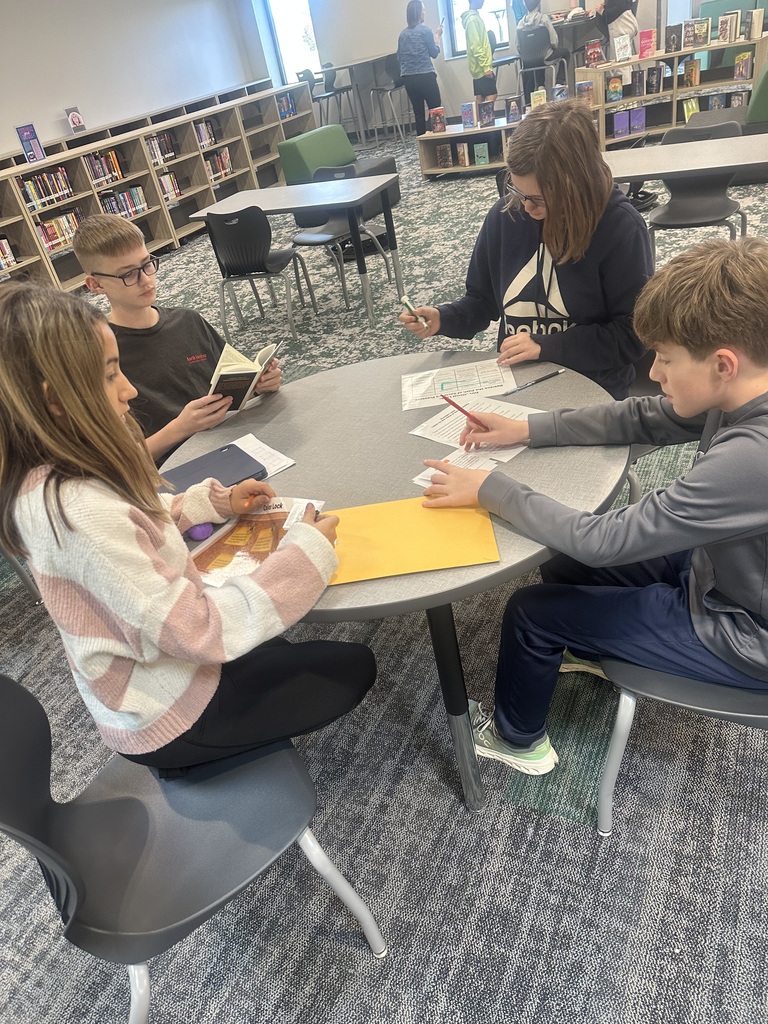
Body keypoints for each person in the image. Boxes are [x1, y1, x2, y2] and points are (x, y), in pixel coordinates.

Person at [420, 236, 768, 776]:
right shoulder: (741, 390)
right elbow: (641, 417)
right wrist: (527, 428)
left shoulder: (752, 458)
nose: (653, 371)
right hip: (723, 570)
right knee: (556, 558)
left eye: (667, 359)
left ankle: (517, 741)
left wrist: (491, 489)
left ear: (723, 363)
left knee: (531, 613)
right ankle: (590, 644)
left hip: (745, 631)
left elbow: (606, 542)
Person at [0, 282, 375, 774]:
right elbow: (195, 631)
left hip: (169, 666)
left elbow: (141, 520)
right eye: (111, 374)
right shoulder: (78, 511)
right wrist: (306, 552)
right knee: (356, 667)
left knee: (282, 646)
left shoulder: (56, 467)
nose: (129, 389)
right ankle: (193, 761)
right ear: (55, 400)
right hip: (171, 717)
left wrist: (212, 504)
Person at [399, 99, 652, 399]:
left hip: (593, 388)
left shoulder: (620, 228)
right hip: (517, 382)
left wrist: (547, 346)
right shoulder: (507, 214)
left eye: (540, 198)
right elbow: (482, 302)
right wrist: (444, 318)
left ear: (576, 187)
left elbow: (632, 336)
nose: (526, 207)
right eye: (518, 191)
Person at [72, 214, 282, 461]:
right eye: (128, 274)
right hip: (177, 468)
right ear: (96, 285)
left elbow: (231, 390)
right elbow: (117, 462)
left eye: (147, 264)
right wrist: (180, 428)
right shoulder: (101, 354)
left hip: (234, 442)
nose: (146, 280)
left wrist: (259, 385)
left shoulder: (188, 321)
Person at [397, 0, 444, 137]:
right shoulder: (425, 31)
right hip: (425, 76)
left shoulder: (402, 35)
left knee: (418, 113)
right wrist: (437, 37)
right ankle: (437, 140)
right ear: (418, 13)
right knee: (435, 110)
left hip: (408, 79)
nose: (425, 13)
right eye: (423, 10)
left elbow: (399, 57)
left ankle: (423, 144)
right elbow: (434, 53)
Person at [516, 0, 570, 87]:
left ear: (524, 5)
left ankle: (541, 86)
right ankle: (559, 83)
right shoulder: (544, 19)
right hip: (544, 57)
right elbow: (554, 42)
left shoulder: (520, 25)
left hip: (528, 61)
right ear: (539, 3)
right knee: (565, 53)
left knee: (537, 57)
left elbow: (518, 47)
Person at [462, 0, 497, 104]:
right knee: (491, 95)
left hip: (480, 67)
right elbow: (476, 46)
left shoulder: (474, 17)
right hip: (481, 68)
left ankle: (480, 120)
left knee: (480, 98)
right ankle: (484, 120)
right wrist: (486, 67)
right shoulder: (472, 20)